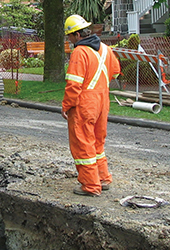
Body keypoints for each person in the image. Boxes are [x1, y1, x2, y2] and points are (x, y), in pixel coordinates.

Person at [61, 14, 121, 197]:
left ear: (77, 35)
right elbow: (116, 72)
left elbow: (74, 84)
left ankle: (90, 185)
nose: (69, 41)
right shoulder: (105, 49)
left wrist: (66, 106)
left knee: (83, 143)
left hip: (84, 103)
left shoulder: (80, 52)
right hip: (102, 100)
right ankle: (103, 178)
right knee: (97, 142)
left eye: (69, 37)